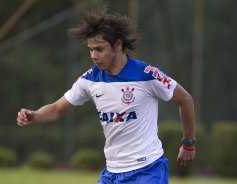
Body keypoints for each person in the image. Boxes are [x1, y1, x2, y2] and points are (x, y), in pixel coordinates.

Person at [17, 11, 196, 184]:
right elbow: (57, 109)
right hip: (112, 173)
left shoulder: (146, 74)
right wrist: (35, 115)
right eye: (91, 50)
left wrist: (188, 143)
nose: (94, 56)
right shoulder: (89, 79)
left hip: (147, 170)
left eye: (99, 49)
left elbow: (185, 99)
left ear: (117, 45)